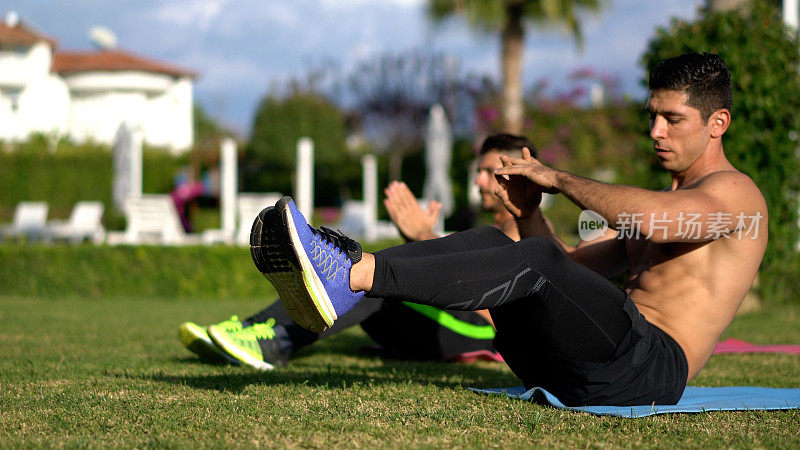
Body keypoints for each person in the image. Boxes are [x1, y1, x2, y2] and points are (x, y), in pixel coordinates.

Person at [248, 53, 768, 406]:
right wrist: (529, 216)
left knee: (533, 262)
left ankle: (349, 273)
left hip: (649, 369)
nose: (655, 130)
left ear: (716, 123)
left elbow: (654, 223)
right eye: (652, 115)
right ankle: (347, 273)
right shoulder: (664, 201)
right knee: (506, 244)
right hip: (570, 366)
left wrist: (559, 178)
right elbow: (563, 269)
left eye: (672, 119)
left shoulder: (736, 198)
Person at [181, 134, 536, 370]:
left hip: (484, 333)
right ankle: (251, 329)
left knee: (375, 279)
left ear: (519, 175)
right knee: (380, 273)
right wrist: (419, 241)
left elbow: (491, 302)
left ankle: (274, 342)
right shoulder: (490, 228)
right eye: (478, 171)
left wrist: (425, 236)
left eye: (490, 172)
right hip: (447, 326)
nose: (478, 181)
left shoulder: (523, 231)